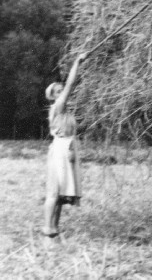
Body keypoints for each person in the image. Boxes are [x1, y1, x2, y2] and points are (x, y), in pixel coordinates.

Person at [42, 52, 87, 241]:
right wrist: (77, 62)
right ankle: (47, 230)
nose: (63, 94)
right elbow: (71, 84)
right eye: (58, 92)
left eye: (62, 91)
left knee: (60, 195)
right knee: (53, 192)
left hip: (67, 148)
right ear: (53, 97)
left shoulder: (65, 110)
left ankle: (55, 229)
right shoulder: (58, 106)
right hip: (60, 150)